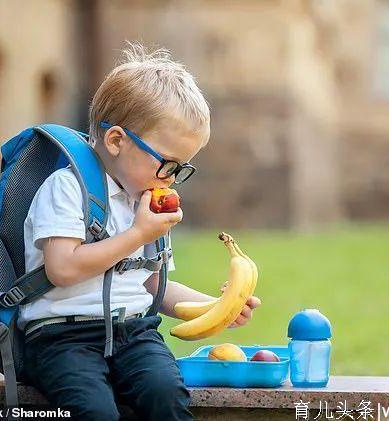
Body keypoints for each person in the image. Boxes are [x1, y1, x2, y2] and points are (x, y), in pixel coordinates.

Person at [18, 42, 261, 420]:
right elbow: (61, 269)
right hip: (62, 338)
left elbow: (152, 286)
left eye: (181, 168)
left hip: (134, 333)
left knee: (167, 395)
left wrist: (220, 307)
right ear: (117, 141)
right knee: (95, 411)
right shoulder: (67, 189)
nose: (170, 178)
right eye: (167, 163)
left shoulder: (144, 202)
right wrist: (136, 235)